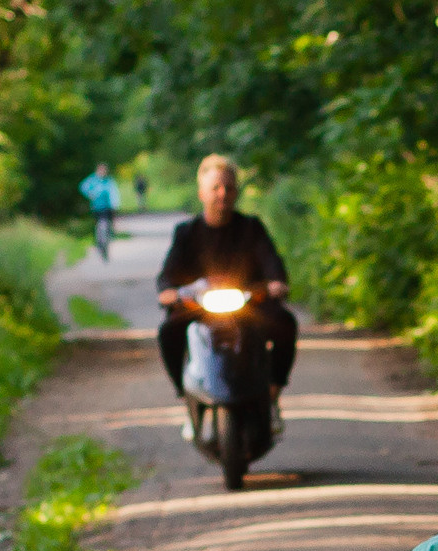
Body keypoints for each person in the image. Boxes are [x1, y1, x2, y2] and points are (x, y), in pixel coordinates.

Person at [154, 154, 298, 425]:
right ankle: (186, 399)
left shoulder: (252, 228)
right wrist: (169, 292)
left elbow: (271, 262)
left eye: (229, 188)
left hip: (247, 306)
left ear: (237, 192)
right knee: (168, 331)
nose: (223, 194)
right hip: (200, 307)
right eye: (215, 188)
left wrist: (276, 282)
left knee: (284, 322)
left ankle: (273, 392)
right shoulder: (186, 233)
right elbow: (168, 275)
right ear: (201, 193)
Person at [79, 163, 121, 260]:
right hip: (96, 207)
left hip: (107, 207)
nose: (102, 172)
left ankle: (107, 240)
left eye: (104, 170)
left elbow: (114, 193)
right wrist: (90, 194)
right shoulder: (93, 179)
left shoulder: (109, 181)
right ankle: (99, 243)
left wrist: (115, 205)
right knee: (99, 225)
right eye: (101, 170)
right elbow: (83, 186)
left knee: (107, 225)